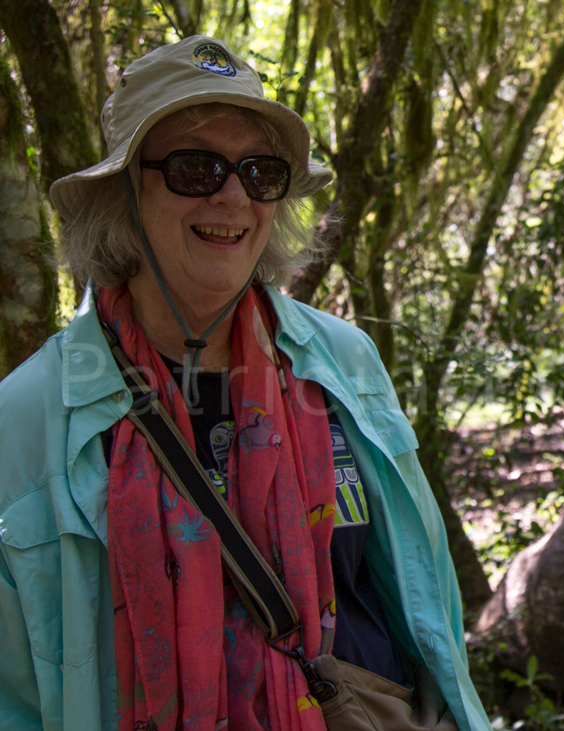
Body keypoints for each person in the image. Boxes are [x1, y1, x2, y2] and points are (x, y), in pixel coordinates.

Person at [0, 36, 489, 731]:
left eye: (259, 172)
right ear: (124, 193)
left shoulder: (341, 362)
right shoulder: (29, 418)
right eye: (196, 167)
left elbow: (416, 602)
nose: (232, 195)